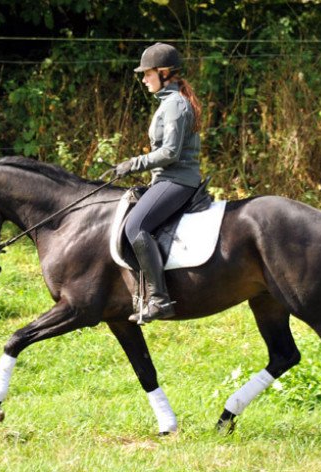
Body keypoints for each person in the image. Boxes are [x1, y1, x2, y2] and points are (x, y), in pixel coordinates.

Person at [114, 42, 202, 323]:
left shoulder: (175, 104)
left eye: (148, 74)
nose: (143, 79)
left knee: (135, 226)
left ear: (164, 73)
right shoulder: (170, 102)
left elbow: (170, 153)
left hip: (177, 180)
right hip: (168, 179)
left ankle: (160, 300)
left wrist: (133, 163)